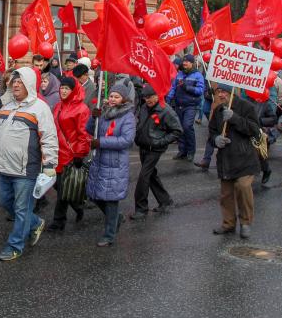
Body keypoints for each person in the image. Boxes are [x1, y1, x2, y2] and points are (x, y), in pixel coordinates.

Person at [0, 67, 58, 259]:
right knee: (5, 202)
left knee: (21, 209)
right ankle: (35, 223)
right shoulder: (6, 107)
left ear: (28, 84)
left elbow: (49, 137)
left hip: (26, 170)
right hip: (4, 168)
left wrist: (50, 164)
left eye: (20, 81)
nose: (16, 84)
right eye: (13, 82)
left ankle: (15, 246)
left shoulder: (39, 108)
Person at [87, 79, 136, 247]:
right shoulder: (105, 111)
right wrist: (93, 118)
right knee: (94, 195)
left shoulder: (127, 116)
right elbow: (90, 130)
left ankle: (110, 234)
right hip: (100, 160)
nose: (113, 99)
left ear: (124, 99)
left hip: (115, 163)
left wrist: (101, 142)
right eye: (112, 96)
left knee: (110, 200)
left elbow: (126, 140)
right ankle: (116, 218)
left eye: (117, 96)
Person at [209, 84, 261, 238]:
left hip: (244, 158)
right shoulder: (218, 110)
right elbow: (211, 132)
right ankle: (228, 223)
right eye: (218, 92)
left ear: (232, 93)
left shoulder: (246, 106)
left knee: (243, 187)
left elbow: (254, 130)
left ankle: (245, 223)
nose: (221, 95)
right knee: (226, 194)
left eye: (224, 92)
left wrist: (235, 118)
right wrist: (216, 139)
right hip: (226, 159)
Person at [49, 75, 92, 231]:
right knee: (58, 186)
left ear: (74, 90)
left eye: (67, 88)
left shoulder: (82, 109)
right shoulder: (58, 106)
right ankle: (78, 205)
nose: (63, 91)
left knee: (62, 189)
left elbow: (84, 135)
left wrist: (80, 154)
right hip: (57, 153)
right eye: (62, 88)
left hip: (70, 154)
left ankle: (58, 221)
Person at [132, 84, 181, 220]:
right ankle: (165, 201)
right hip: (143, 146)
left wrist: (161, 142)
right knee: (151, 175)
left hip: (155, 148)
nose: (148, 100)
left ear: (157, 96)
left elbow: (177, 131)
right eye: (146, 97)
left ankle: (141, 208)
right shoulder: (143, 108)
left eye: (151, 97)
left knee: (144, 176)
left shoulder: (166, 110)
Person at [166, 54, 205, 161]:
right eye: (184, 61)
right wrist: (168, 99)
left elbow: (200, 91)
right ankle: (182, 151)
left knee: (187, 126)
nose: (184, 63)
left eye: (187, 62)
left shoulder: (198, 75)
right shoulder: (179, 74)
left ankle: (191, 151)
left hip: (190, 106)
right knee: (180, 128)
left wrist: (187, 87)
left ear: (192, 63)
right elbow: (173, 87)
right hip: (179, 105)